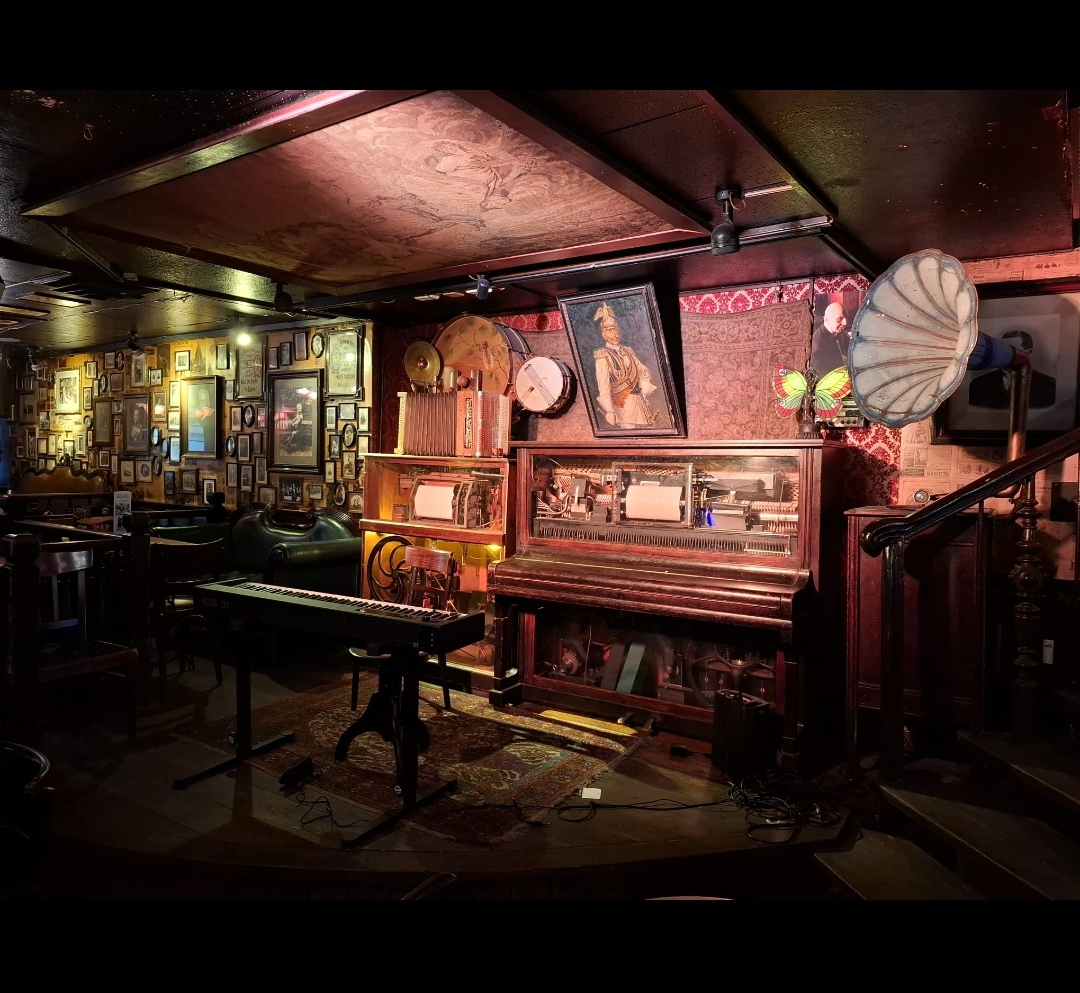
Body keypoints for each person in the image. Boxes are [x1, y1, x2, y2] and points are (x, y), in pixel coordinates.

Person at [592, 303, 658, 428]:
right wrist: (609, 411)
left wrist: (644, 393)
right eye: (610, 330)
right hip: (621, 408)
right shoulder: (602, 356)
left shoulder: (628, 351)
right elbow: (603, 386)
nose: (615, 334)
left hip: (639, 404)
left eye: (615, 329)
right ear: (603, 334)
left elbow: (644, 372)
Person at [967, 330, 1057, 410]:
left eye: (1012, 348)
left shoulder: (1047, 384)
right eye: (1003, 346)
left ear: (1028, 353)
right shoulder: (977, 383)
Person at [809, 301, 851, 378]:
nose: (845, 323)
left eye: (846, 317)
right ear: (826, 319)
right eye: (839, 319)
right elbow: (820, 376)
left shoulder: (840, 333)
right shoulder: (818, 344)